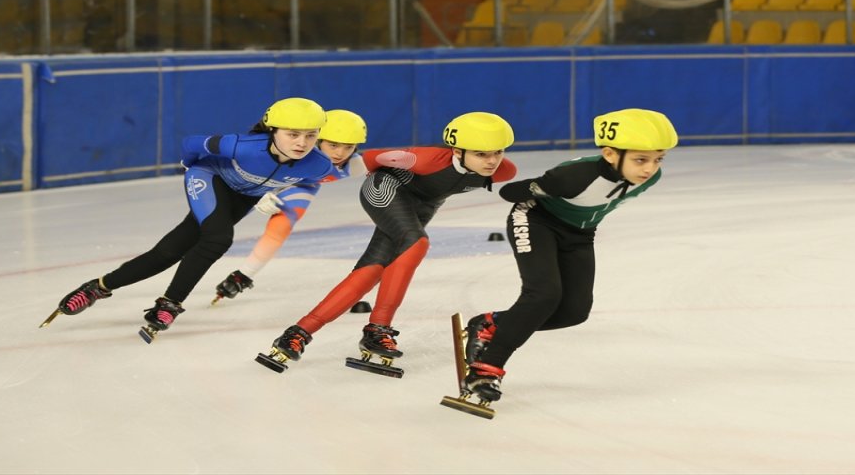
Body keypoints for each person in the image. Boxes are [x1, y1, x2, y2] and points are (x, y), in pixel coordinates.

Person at [41, 98, 338, 342]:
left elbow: (337, 173)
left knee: (169, 251)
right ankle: (170, 304)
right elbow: (193, 143)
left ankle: (98, 287)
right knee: (218, 239)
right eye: (292, 134)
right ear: (273, 130)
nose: (302, 142)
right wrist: (188, 166)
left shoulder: (317, 164)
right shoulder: (240, 146)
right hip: (210, 178)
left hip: (243, 197)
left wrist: (283, 194)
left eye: (311, 135)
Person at [257, 112, 518, 374]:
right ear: (457, 151)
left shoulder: (504, 171)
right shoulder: (423, 159)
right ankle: (378, 329)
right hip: (386, 189)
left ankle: (298, 333)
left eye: (497, 152)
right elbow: (358, 162)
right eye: (481, 154)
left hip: (422, 207)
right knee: (416, 242)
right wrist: (279, 187)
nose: (492, 161)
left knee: (374, 268)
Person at [458, 109, 677, 404]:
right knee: (543, 295)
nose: (650, 169)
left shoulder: (650, 178)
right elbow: (510, 192)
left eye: (657, 159)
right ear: (610, 154)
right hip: (535, 220)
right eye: (640, 159)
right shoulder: (574, 176)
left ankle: (491, 324)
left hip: (580, 235)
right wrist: (545, 185)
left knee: (574, 312)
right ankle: (486, 370)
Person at [210, 109, 368, 304]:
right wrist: (262, 193)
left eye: (348, 147)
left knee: (282, 226)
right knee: (219, 222)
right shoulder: (294, 152)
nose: (340, 153)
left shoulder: (356, 166)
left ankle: (243, 276)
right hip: (264, 181)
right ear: (317, 139)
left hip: (303, 186)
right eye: (333, 145)